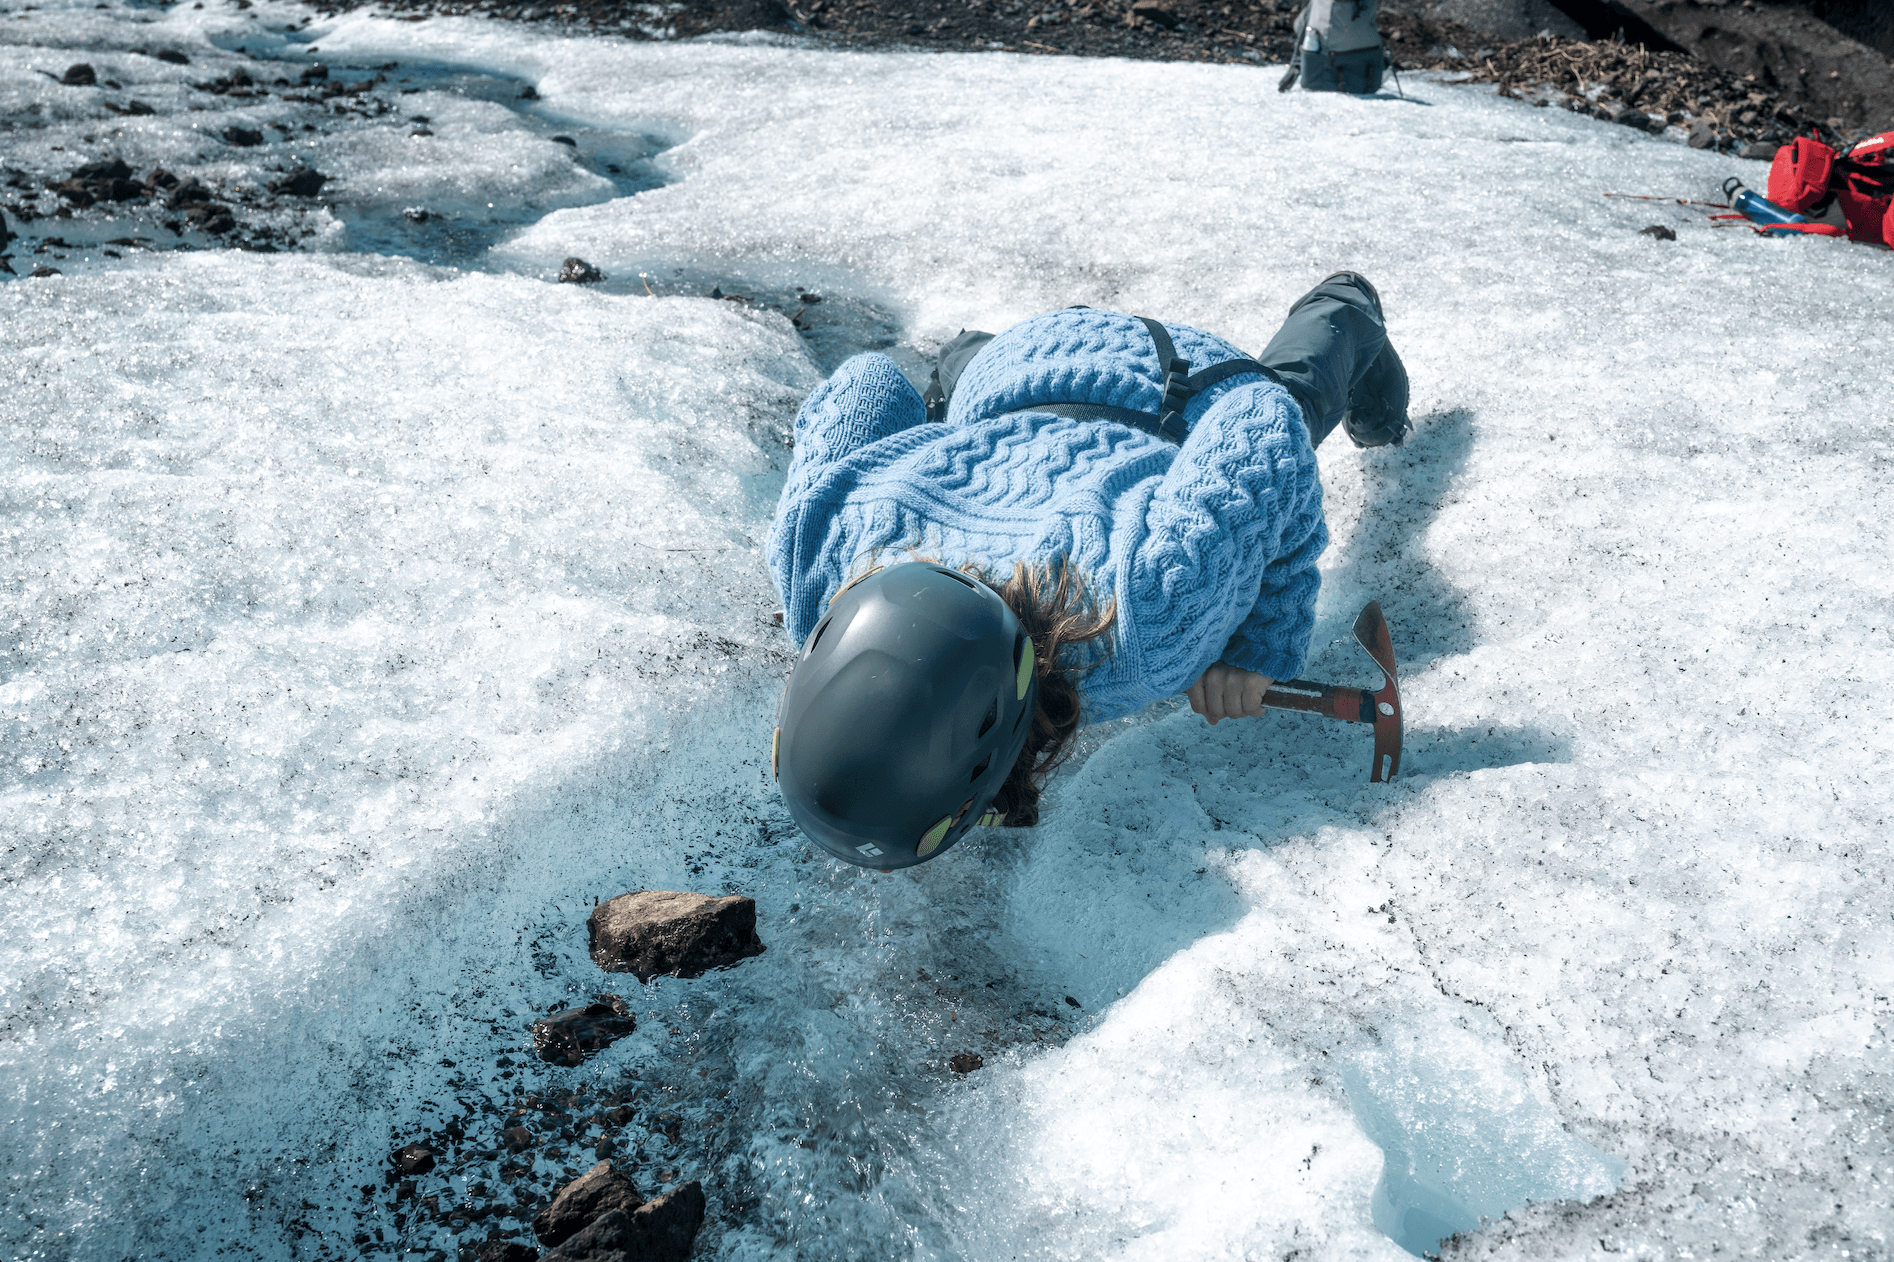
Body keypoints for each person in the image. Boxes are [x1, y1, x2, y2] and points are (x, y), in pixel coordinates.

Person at [766, 273, 1408, 870]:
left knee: (1291, 398)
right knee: (960, 389)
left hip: (1171, 382)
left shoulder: (1147, 615)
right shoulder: (815, 555)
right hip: (1014, 364)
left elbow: (1262, 424)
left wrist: (1255, 646)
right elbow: (868, 383)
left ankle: (1344, 306)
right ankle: (967, 354)